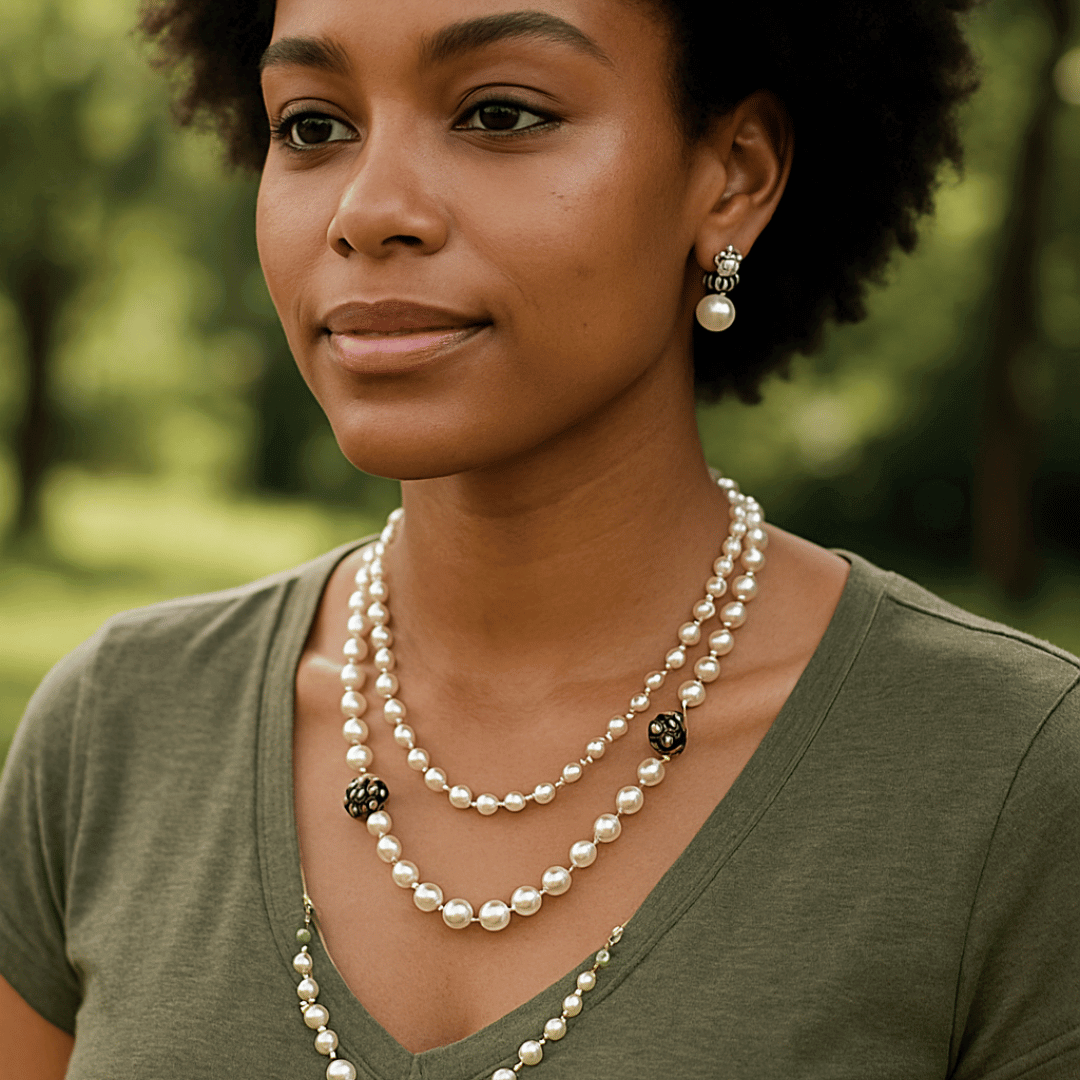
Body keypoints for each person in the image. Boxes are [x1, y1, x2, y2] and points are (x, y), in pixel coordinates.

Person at [1, 1, 1078, 1077]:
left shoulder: (1014, 787)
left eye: (500, 113)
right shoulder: (117, 732)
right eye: (315, 127)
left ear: (735, 175)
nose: (370, 211)